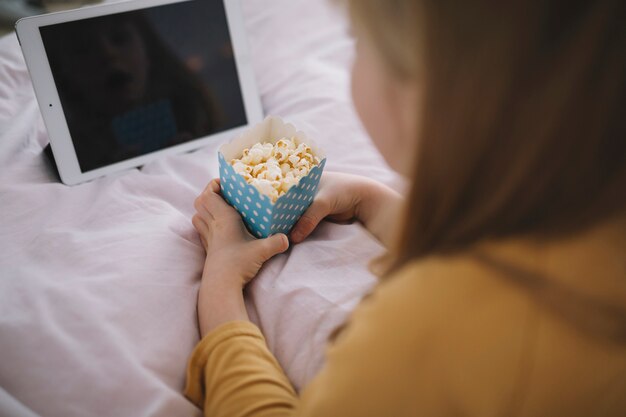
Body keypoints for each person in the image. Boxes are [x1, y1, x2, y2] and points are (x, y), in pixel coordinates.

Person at [186, 0, 626, 415]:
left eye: (357, 43)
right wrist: (372, 200)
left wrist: (221, 288)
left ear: (435, 94)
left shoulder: (417, 338)